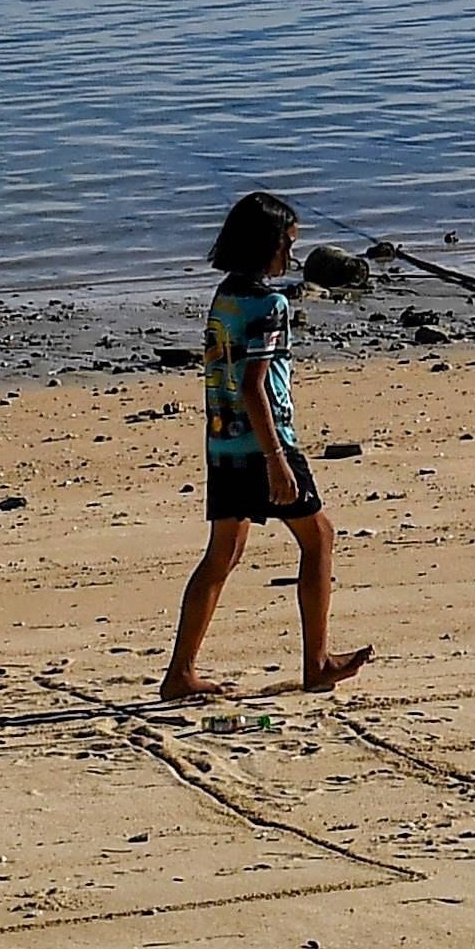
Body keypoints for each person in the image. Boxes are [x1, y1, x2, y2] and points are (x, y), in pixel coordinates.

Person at [166, 191, 369, 702]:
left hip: (223, 445)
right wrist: (279, 460)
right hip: (265, 443)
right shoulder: (270, 305)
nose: (292, 257)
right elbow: (256, 385)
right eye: (288, 244)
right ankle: (317, 662)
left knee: (222, 555)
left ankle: (181, 672)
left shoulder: (225, 297)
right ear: (268, 246)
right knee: (319, 538)